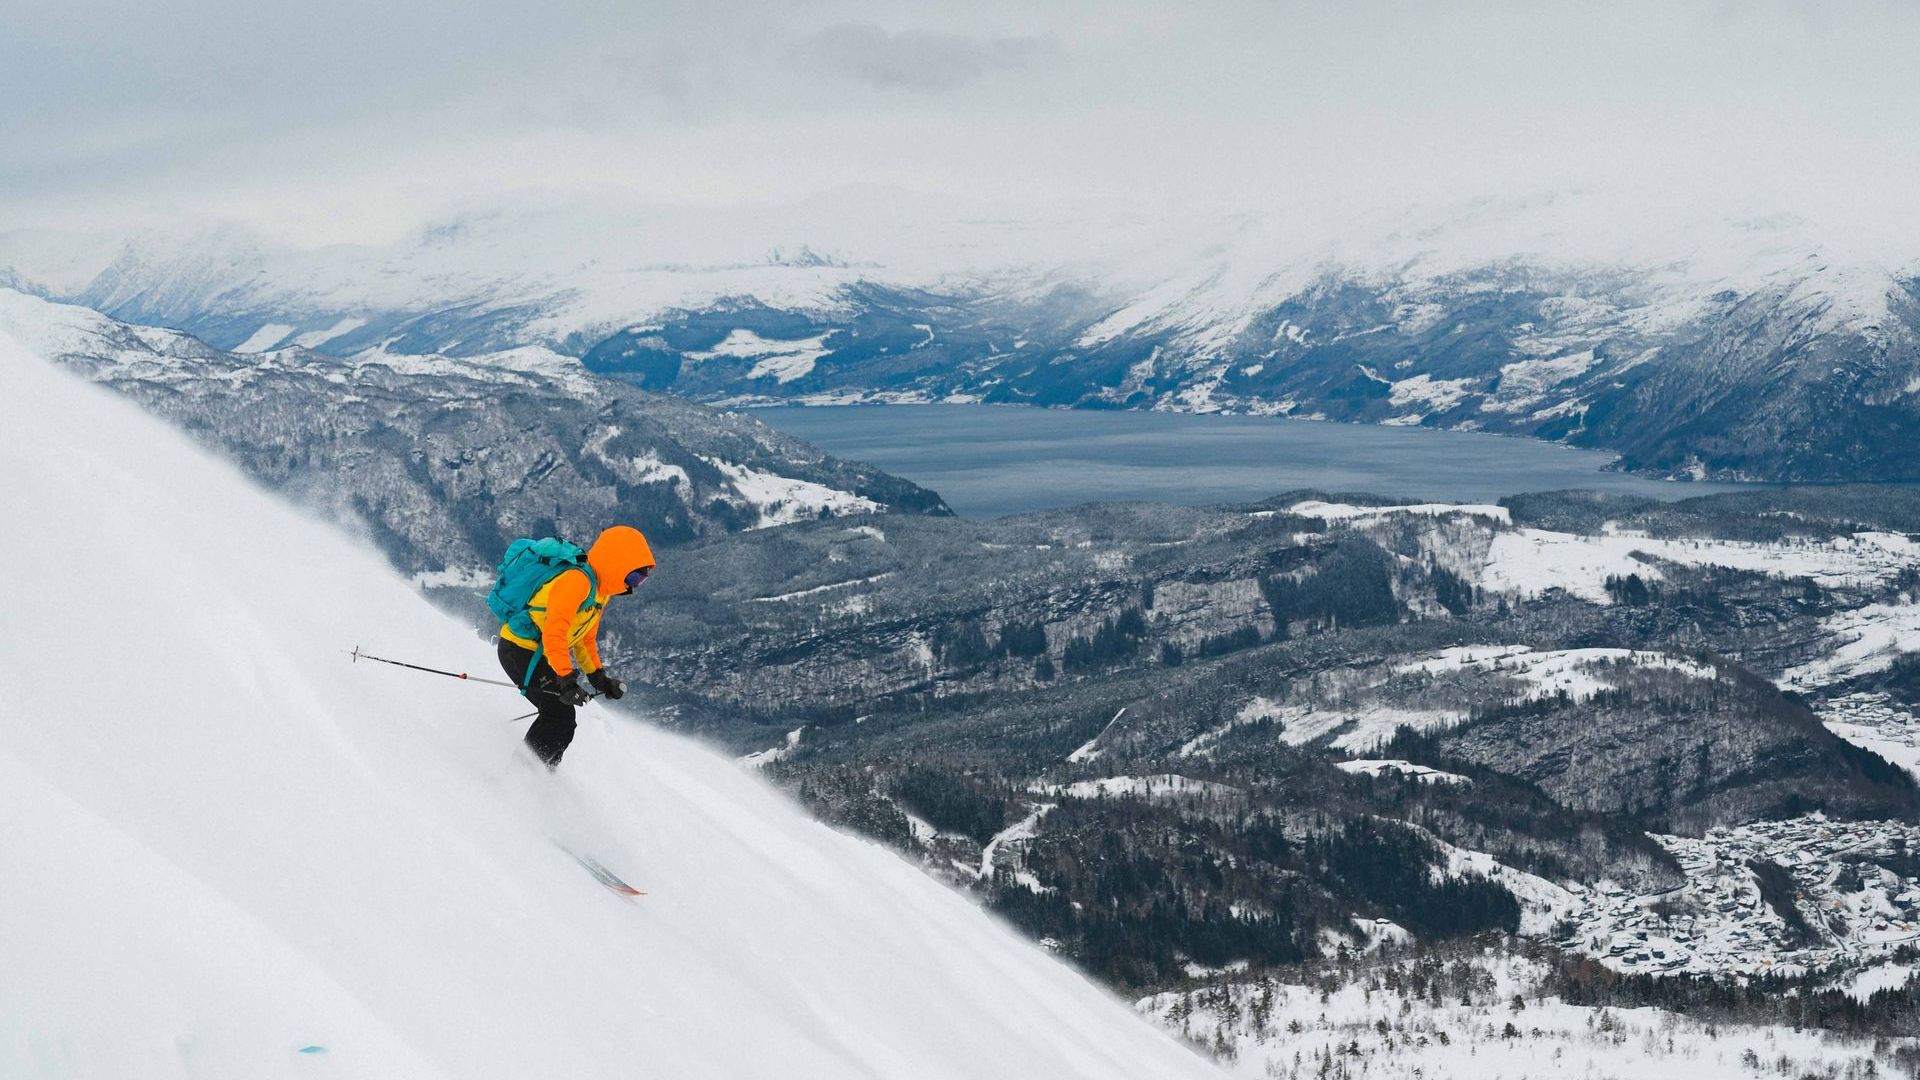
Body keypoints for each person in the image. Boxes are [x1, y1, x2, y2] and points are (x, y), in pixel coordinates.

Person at [496, 525, 655, 767]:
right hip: (518, 651)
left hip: (539, 654)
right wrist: (565, 678)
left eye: (640, 581)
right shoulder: (576, 581)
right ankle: (520, 777)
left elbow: (584, 638)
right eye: (632, 577)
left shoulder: (600, 592)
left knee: (562, 719)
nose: (632, 587)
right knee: (559, 716)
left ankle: (539, 777)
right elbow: (554, 632)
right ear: (616, 563)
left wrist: (599, 678)